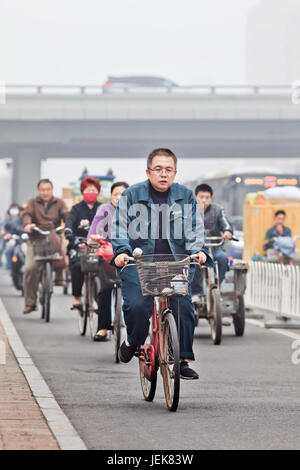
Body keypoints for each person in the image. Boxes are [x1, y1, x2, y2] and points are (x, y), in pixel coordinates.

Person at [111, 148, 212, 380]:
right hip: (139, 265)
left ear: (175, 173)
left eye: (168, 170)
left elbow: (196, 228)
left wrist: (198, 250)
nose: (163, 174)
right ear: (148, 171)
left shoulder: (185, 196)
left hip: (175, 264)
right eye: (158, 169)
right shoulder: (131, 196)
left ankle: (183, 358)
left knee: (183, 307)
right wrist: (122, 251)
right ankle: (133, 341)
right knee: (137, 306)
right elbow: (119, 227)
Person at [87, 181, 129, 341]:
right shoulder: (104, 210)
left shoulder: (135, 211)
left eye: (122, 194)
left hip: (129, 257)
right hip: (107, 256)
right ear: (110, 196)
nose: (119, 197)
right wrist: (93, 238)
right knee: (105, 289)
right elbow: (94, 229)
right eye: (115, 194)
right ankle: (103, 327)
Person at [22, 179, 69, 314]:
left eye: (48, 189)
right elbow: (26, 214)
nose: (45, 192)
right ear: (39, 190)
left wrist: (68, 224)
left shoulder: (59, 202)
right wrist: (27, 224)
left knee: (63, 250)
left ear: (52, 190)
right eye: (42, 190)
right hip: (36, 238)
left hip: (54, 236)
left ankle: (60, 277)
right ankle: (30, 303)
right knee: (30, 269)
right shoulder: (32, 202)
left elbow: (67, 215)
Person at [64, 176, 101, 310]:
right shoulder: (76, 209)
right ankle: (77, 297)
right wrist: (68, 232)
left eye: (93, 189)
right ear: (82, 192)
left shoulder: (103, 208)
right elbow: (69, 221)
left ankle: (101, 297)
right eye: (87, 189)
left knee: (104, 267)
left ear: (98, 192)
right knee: (77, 266)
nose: (91, 192)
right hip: (79, 244)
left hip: (99, 244)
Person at [192, 183, 233, 292]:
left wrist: (227, 231)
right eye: (201, 197)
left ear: (211, 198)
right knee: (193, 263)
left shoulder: (218, 210)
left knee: (223, 258)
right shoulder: (189, 211)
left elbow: (225, 223)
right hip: (198, 249)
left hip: (215, 248)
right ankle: (196, 292)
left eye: (207, 197)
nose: (204, 200)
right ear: (196, 197)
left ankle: (218, 285)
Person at [3, 204, 24, 271]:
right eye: (13, 209)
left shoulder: (22, 219)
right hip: (13, 240)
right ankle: (10, 267)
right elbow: (4, 227)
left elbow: (24, 228)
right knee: (9, 252)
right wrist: (7, 234)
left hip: (23, 240)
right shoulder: (7, 220)